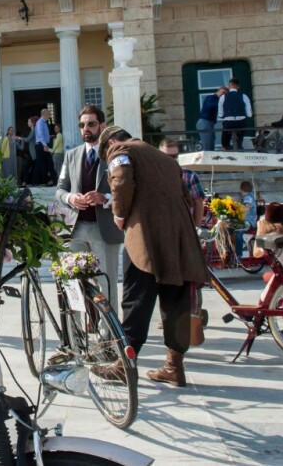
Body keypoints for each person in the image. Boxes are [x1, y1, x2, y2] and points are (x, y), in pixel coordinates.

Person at [96, 125, 207, 387]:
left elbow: (121, 180)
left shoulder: (121, 150)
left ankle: (124, 365)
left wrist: (119, 215)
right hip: (178, 239)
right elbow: (186, 197)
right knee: (176, 302)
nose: (108, 157)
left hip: (144, 238)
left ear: (110, 142)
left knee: (136, 300)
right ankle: (174, 366)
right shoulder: (165, 160)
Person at [55, 106, 125, 311]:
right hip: (75, 229)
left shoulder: (114, 155)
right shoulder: (71, 155)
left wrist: (105, 198)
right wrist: (71, 198)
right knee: (72, 284)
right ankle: (75, 337)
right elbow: (60, 190)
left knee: (106, 285)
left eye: (91, 124)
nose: (86, 128)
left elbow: (127, 189)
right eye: (82, 125)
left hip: (104, 229)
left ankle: (109, 338)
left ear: (102, 126)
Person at [158, 139, 206, 226]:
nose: (172, 159)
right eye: (168, 156)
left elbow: (199, 202)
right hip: (161, 226)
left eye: (175, 156)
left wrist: (196, 227)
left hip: (184, 225)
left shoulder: (190, 175)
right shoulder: (152, 176)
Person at [218, 78, 252, 150]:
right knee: (239, 138)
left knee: (224, 143)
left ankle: (228, 149)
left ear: (229, 86)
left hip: (229, 123)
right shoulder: (244, 96)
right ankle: (239, 145)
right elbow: (249, 114)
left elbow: (220, 115)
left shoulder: (223, 97)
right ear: (238, 87)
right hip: (241, 122)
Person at [236, 180, 257, 259]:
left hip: (249, 222)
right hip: (247, 221)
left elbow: (246, 208)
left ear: (242, 189)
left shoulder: (248, 197)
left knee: (238, 231)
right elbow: (239, 201)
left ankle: (239, 256)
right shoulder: (247, 196)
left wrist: (236, 208)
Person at [35, 108, 54, 185]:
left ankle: (50, 180)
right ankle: (48, 181)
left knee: (48, 163)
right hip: (41, 145)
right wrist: (45, 145)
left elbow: (44, 135)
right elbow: (40, 135)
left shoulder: (44, 123)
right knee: (43, 164)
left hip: (44, 144)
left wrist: (49, 137)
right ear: (44, 114)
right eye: (48, 114)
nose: (49, 116)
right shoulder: (40, 122)